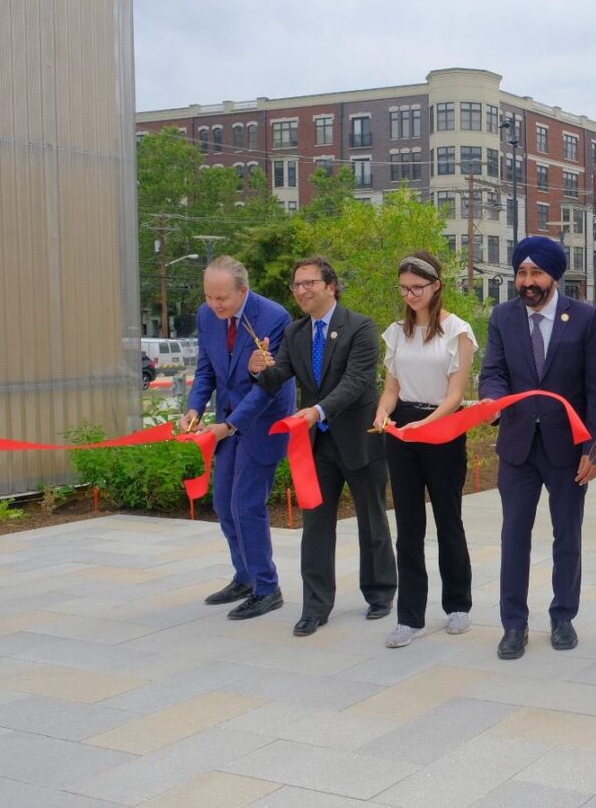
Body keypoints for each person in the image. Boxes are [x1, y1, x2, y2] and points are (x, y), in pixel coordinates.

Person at [249, 255, 397, 636]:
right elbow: (279, 376)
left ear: (330, 286)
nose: (301, 290)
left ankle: (380, 593)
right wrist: (259, 368)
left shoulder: (361, 327)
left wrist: (316, 410)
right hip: (316, 445)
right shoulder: (296, 333)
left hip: (359, 439)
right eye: (296, 285)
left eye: (308, 283)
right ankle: (315, 606)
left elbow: (356, 382)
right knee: (315, 525)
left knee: (372, 519)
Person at [479, 236, 596, 660]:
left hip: (569, 450)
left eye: (536, 272)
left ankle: (562, 617)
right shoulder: (503, 317)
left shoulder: (586, 318)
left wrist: (595, 448)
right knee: (514, 536)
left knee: (567, 536)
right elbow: (493, 371)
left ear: (554, 274)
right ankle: (513, 625)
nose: (527, 281)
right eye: (521, 272)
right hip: (517, 447)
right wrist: (492, 400)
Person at [373, 251, 478, 649]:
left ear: (436, 286)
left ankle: (458, 604)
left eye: (418, 287)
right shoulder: (396, 332)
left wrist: (428, 423)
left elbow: (456, 394)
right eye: (404, 288)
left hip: (443, 428)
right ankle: (410, 615)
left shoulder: (458, 331)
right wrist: (383, 414)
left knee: (449, 518)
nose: (411, 294)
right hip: (403, 431)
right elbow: (391, 388)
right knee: (408, 524)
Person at [180, 256, 295, 620]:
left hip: (262, 421)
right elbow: (206, 369)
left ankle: (267, 587)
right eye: (209, 297)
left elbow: (268, 388)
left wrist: (229, 426)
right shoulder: (205, 316)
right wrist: (195, 408)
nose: (214, 305)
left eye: (222, 298)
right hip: (224, 421)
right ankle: (244, 576)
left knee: (247, 504)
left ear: (243, 290)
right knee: (224, 503)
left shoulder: (274, 318)